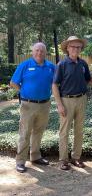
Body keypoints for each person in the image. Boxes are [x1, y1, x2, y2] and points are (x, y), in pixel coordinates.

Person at [10, 42, 55, 173]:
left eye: (42, 51)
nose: (39, 53)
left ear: (45, 53)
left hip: (45, 104)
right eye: (37, 50)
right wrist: (23, 92)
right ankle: (20, 161)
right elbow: (13, 82)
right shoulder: (25, 65)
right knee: (25, 133)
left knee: (38, 132)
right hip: (28, 105)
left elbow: (56, 83)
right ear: (32, 52)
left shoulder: (51, 67)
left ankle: (35, 156)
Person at [52, 36, 92, 170]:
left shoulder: (83, 64)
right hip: (66, 100)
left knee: (79, 130)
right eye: (73, 46)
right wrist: (59, 104)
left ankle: (76, 157)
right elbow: (54, 84)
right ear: (67, 48)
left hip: (82, 99)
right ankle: (63, 160)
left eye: (78, 47)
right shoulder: (62, 65)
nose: (76, 49)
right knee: (64, 131)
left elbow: (89, 80)